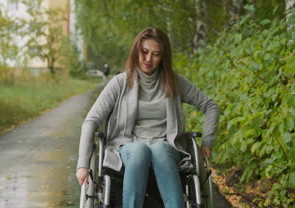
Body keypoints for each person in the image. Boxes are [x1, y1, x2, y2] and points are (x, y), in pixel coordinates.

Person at [76, 27, 220, 208]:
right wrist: (82, 165)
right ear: (136, 50)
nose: (148, 59)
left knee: (160, 149)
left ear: (163, 57)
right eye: (144, 52)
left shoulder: (174, 82)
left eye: (156, 54)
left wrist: (207, 142)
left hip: (166, 147)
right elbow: (91, 121)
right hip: (128, 148)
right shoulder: (120, 83)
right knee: (139, 150)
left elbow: (211, 106)